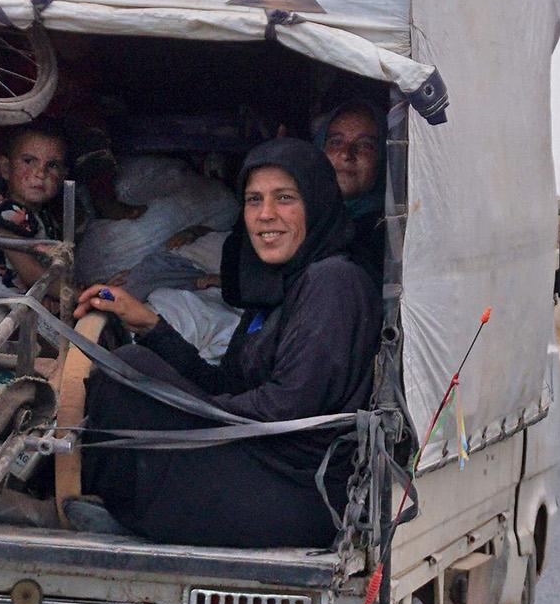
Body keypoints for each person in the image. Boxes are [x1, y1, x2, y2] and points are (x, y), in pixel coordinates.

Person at [70, 138, 382, 548]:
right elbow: (225, 386)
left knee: (132, 386)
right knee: (131, 364)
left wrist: (180, 410)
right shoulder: (278, 292)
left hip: (297, 488)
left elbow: (286, 408)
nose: (266, 215)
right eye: (254, 200)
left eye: (284, 198)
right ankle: (120, 508)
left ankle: (125, 511)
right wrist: (149, 324)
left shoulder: (333, 281)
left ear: (317, 202)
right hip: (260, 461)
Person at [0, 122, 75, 293]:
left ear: (63, 176)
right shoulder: (6, 212)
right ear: (5, 168)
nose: (40, 173)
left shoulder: (45, 217)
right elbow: (33, 275)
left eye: (53, 165)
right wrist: (86, 296)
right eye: (28, 161)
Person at [315, 100, 386, 280]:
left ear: (383, 159)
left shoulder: (388, 237)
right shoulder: (298, 217)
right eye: (336, 142)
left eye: (365, 145)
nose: (347, 154)